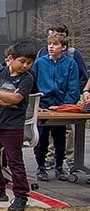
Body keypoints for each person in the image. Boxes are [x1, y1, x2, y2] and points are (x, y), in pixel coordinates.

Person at [0, 42, 39, 211]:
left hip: (12, 126)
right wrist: (3, 101)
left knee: (15, 161)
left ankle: (21, 195)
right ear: (11, 59)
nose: (25, 65)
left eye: (29, 62)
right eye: (22, 61)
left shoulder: (27, 78)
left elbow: (16, 99)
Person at [31, 33, 79, 181]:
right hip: (43, 105)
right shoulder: (40, 63)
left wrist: (63, 106)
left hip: (60, 106)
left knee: (60, 139)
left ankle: (59, 166)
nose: (51, 47)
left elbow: (73, 87)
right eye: (49, 44)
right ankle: (41, 166)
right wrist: (37, 104)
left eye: (55, 44)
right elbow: (33, 84)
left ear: (63, 47)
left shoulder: (70, 64)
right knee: (41, 138)